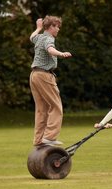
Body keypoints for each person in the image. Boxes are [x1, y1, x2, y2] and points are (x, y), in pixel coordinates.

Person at [29, 15, 72, 146]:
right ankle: (49, 137)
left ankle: (39, 140)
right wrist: (61, 53)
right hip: (44, 75)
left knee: (42, 109)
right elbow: (50, 49)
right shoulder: (48, 38)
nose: (58, 29)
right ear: (50, 27)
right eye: (57, 26)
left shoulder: (39, 37)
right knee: (56, 106)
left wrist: (38, 28)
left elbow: (31, 37)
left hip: (34, 75)